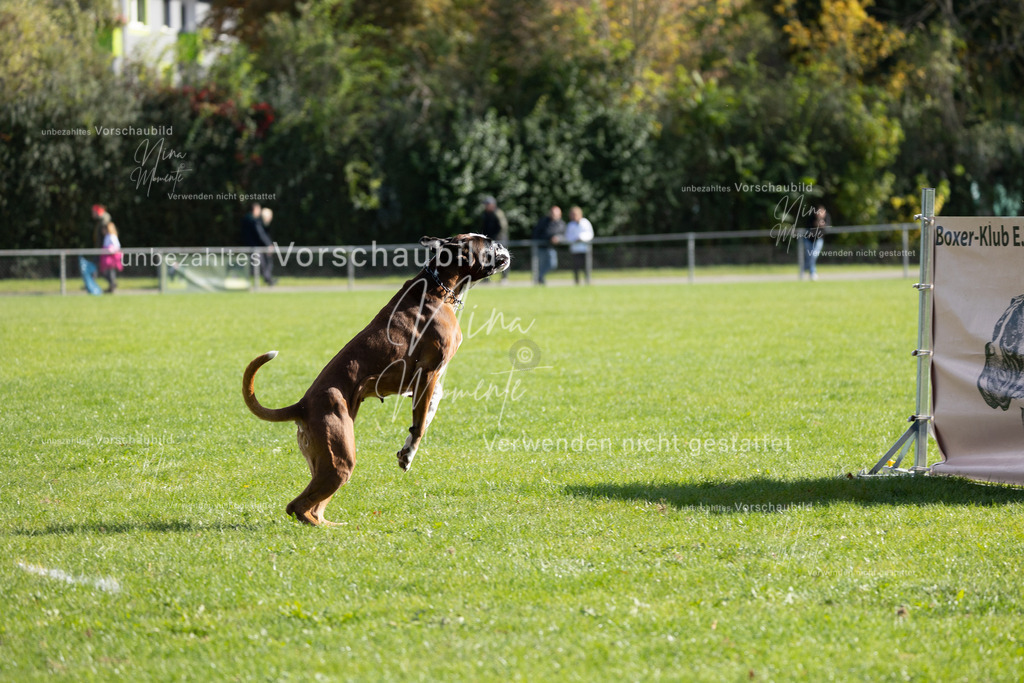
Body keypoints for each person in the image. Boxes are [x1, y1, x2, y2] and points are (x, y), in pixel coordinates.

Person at [241, 201, 275, 285]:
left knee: (259, 264)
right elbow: (261, 234)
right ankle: (267, 280)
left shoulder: (249, 219)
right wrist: (268, 244)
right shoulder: (254, 221)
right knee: (262, 264)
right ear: (255, 209)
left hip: (253, 246)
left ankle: (268, 279)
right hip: (255, 247)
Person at [531, 205, 565, 285]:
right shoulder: (543, 222)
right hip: (541, 246)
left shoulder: (561, 224)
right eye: (552, 213)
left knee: (552, 264)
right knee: (540, 265)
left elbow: (564, 235)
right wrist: (549, 238)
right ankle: (540, 281)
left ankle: (539, 277)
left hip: (551, 248)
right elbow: (537, 233)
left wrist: (558, 238)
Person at [480, 196, 509, 282]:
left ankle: (504, 278)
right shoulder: (485, 214)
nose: (485, 206)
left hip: (499, 240)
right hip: (489, 240)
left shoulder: (498, 213)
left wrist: (496, 239)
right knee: (487, 258)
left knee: (502, 258)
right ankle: (487, 277)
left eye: (487, 204)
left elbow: (503, 227)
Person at [564, 205, 594, 285]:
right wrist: (575, 239)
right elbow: (568, 236)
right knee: (576, 267)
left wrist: (581, 238)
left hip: (585, 249)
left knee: (586, 266)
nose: (574, 216)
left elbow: (590, 234)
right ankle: (577, 282)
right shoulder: (570, 225)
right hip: (575, 249)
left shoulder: (585, 222)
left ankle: (587, 281)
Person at [802, 204, 830, 281]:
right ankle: (812, 272)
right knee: (809, 256)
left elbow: (828, 227)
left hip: (819, 239)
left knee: (813, 256)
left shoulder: (826, 217)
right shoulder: (811, 217)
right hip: (808, 239)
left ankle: (805, 269)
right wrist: (816, 224)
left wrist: (822, 225)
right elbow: (807, 228)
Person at [98, 222, 124, 293]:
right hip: (107, 256)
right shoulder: (107, 236)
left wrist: (110, 250)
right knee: (107, 272)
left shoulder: (111, 236)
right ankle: (112, 285)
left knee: (110, 272)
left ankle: (112, 285)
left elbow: (116, 246)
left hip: (111, 257)